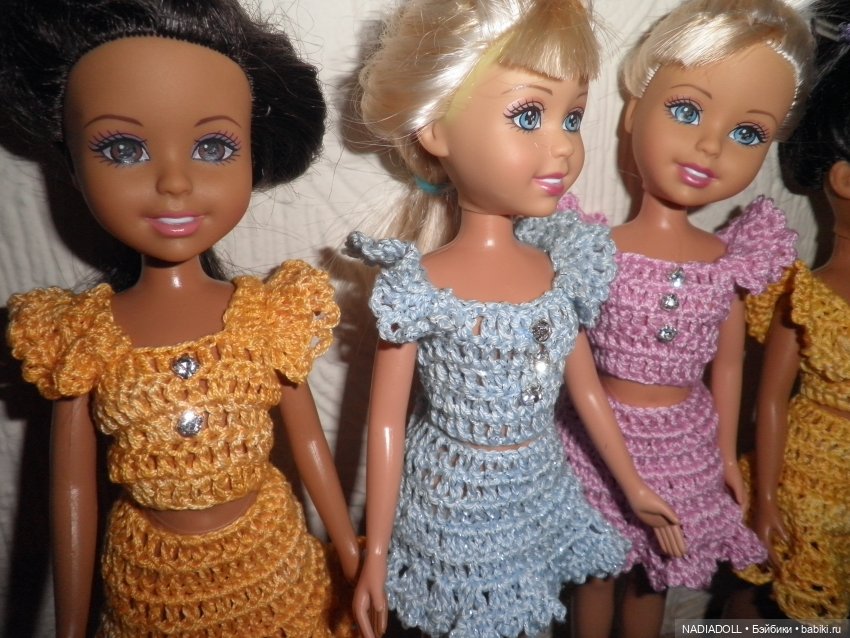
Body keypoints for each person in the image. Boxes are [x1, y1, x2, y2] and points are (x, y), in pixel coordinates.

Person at [2, 1, 359, 635]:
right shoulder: (79, 338)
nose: (173, 181)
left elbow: (310, 447)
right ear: (72, 163)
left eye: (213, 147)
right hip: (150, 583)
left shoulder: (266, 316)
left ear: (252, 153)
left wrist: (353, 557)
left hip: (273, 567)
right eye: (123, 148)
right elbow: (72, 495)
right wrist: (71, 625)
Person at [344, 0, 684, 636]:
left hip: (539, 484)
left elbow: (586, 390)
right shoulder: (420, 288)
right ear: (435, 130)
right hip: (454, 502)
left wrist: (633, 485)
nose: (563, 146)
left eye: (572, 117)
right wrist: (378, 553)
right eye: (529, 115)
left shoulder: (561, 267)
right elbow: (384, 425)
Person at [556, 1, 814, 636]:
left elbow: (729, 365)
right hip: (597, 438)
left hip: (685, 444)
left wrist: (724, 453)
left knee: (658, 574)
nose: (710, 145)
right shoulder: (594, 250)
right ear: (633, 113)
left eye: (748, 133)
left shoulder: (728, 261)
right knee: (596, 571)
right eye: (688, 110)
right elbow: (572, 358)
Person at [732, 3, 850, 620]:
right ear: (845, 181)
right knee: (772, 599)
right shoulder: (807, 296)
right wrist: (769, 498)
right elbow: (771, 401)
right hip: (805, 483)